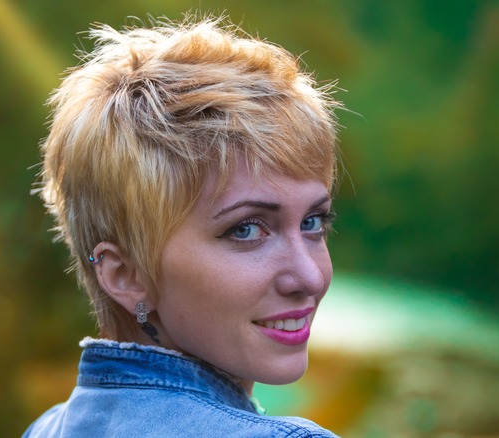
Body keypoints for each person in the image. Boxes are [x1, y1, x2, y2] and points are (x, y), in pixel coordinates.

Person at [23, 15, 342, 437]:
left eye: (313, 223)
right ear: (126, 274)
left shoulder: (45, 430)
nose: (310, 276)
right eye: (246, 229)